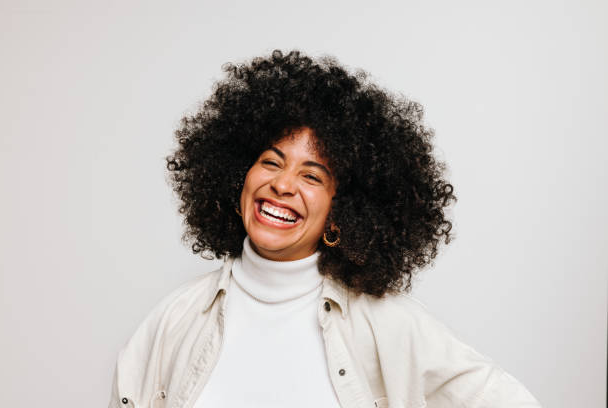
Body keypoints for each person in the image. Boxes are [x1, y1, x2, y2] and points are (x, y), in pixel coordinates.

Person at [108, 50, 541, 408]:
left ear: (342, 211)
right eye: (271, 162)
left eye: (312, 176)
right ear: (238, 174)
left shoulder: (387, 325)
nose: (282, 184)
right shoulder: (174, 321)